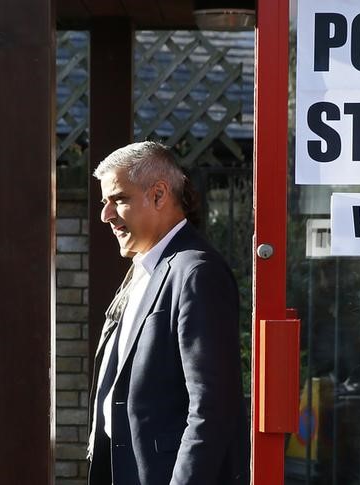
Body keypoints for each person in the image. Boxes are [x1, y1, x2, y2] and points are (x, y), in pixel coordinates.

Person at [87, 141, 249, 484]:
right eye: (105, 203)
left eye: (119, 199)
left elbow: (211, 407)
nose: (106, 215)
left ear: (159, 195)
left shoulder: (196, 272)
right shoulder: (148, 265)